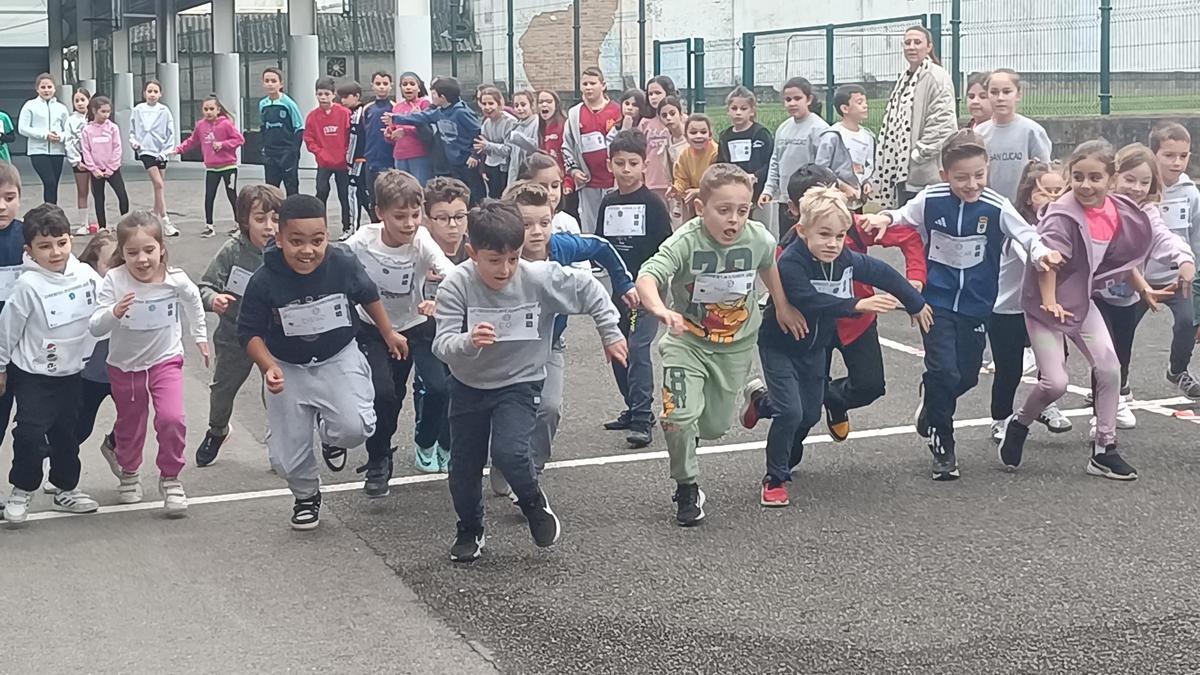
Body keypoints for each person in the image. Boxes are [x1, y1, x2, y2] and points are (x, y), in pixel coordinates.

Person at [432, 199, 626, 562]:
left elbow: (589, 289)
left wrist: (610, 333)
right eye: (494, 260)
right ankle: (471, 529)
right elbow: (442, 345)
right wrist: (468, 341)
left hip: (521, 381)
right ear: (472, 252)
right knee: (463, 467)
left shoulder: (537, 277)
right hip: (469, 386)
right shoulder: (456, 285)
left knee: (509, 452)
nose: (505, 269)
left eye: (513, 257)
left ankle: (533, 502)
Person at [862, 130, 1060, 481]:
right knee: (944, 372)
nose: (972, 184)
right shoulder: (931, 199)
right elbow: (904, 215)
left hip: (978, 306)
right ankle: (943, 445)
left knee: (965, 376)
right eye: (961, 177)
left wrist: (1041, 253)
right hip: (934, 304)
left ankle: (934, 401)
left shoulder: (996, 206)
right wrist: (884, 218)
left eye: (979, 175)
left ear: (988, 171)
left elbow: (1026, 235)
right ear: (944, 176)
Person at [635, 164, 807, 526]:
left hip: (735, 344)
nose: (734, 220)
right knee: (679, 418)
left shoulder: (757, 238)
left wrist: (782, 305)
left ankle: (749, 392)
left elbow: (767, 265)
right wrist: (661, 309)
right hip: (688, 342)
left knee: (712, 428)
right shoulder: (685, 242)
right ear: (701, 209)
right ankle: (686, 487)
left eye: (742, 211)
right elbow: (648, 276)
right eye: (723, 210)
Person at [749, 187, 931, 507]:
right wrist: (858, 304)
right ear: (803, 231)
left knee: (807, 414)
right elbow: (809, 299)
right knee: (791, 412)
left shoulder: (843, 257)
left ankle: (762, 402)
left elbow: (882, 272)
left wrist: (915, 302)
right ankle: (774, 478)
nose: (833, 243)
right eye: (824, 235)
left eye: (839, 235)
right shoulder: (792, 261)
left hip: (814, 349)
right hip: (781, 347)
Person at [237, 194, 405, 530]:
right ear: (279, 238)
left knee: (356, 427)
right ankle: (306, 495)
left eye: (317, 241)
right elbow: (249, 334)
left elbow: (368, 295)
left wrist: (388, 333)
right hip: (287, 366)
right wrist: (268, 365)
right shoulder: (264, 280)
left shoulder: (341, 263)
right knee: (285, 457)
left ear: (327, 236)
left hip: (337, 356)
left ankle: (330, 436)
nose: (307, 250)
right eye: (296, 241)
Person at [997, 140, 1156, 481]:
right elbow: (1047, 262)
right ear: (1070, 175)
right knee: (1055, 383)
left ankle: (1104, 448)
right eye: (1079, 176)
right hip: (1045, 305)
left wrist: (1143, 286)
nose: (1086, 185)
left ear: (1110, 180)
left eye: (1095, 177)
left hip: (1080, 302)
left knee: (1110, 368)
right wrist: (1051, 301)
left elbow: (1125, 251)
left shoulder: (1117, 210)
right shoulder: (1061, 216)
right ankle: (1020, 422)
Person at [487, 180, 634, 498]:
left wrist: (624, 284)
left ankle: (530, 470)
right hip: (505, 346)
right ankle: (502, 458)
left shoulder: (564, 248)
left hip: (549, 342)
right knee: (503, 411)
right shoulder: (499, 252)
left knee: (549, 407)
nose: (537, 231)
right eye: (526, 224)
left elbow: (602, 248)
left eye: (545, 221)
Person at [89, 211, 208, 515]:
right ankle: (129, 470)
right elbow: (95, 326)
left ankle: (170, 478)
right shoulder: (114, 280)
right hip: (124, 366)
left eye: (149, 250)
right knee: (131, 424)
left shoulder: (174, 280)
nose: (142, 260)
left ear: (161, 249)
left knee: (172, 418)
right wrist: (113, 313)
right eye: (132, 252)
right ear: (122, 253)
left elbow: (194, 300)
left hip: (165, 360)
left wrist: (200, 337)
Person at [345, 170, 454, 494]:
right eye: (400, 216)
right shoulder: (363, 240)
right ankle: (379, 458)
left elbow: (445, 267)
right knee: (385, 395)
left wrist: (442, 293)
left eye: (415, 215)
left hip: (418, 325)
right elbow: (332, 261)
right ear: (380, 213)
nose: (409, 223)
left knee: (439, 387)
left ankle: (430, 440)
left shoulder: (421, 240)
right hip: (374, 329)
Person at [0, 203, 103, 524]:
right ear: (29, 250)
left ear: (71, 240)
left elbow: (105, 308)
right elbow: (8, 330)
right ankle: (22, 488)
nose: (55, 252)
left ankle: (64, 488)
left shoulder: (85, 275)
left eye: (61, 243)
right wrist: (1, 366)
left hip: (74, 373)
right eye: (44, 246)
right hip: (33, 376)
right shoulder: (27, 287)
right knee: (30, 433)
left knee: (67, 434)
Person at [1091, 144, 1196, 433]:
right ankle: (1101, 415)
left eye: (1144, 181)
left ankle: (1111, 403)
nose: (1136, 188)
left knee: (1119, 356)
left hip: (1126, 296)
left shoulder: (1147, 211)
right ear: (1114, 177)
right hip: (1091, 295)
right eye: (1129, 179)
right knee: (1103, 355)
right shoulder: (1098, 205)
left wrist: (1184, 258)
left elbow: (1162, 237)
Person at [194, 185, 283, 467]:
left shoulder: (287, 249)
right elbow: (205, 285)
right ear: (245, 220)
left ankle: (279, 441)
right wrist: (214, 299)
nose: (269, 227)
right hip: (235, 334)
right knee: (223, 389)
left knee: (276, 388)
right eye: (260, 219)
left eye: (276, 218)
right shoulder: (233, 250)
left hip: (274, 336)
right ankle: (217, 430)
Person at [595, 130, 672, 447]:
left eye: (632, 163)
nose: (626, 169)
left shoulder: (653, 204)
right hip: (618, 289)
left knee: (639, 348)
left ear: (644, 164)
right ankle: (632, 406)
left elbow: (666, 248)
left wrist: (649, 287)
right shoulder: (608, 203)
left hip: (647, 289)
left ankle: (642, 418)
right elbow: (601, 247)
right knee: (617, 348)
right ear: (610, 164)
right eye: (620, 163)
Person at [987, 161, 1075, 442]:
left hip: (1043, 308)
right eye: (1043, 193)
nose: (1051, 198)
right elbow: (1035, 261)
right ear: (1028, 197)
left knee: (1056, 360)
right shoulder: (1019, 229)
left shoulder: (1066, 226)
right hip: (1007, 309)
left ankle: (1046, 404)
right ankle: (1000, 418)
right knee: (1009, 368)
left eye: (1057, 191)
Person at [873, 25, 957, 209]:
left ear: (929, 47)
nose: (911, 47)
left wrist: (917, 155)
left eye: (917, 42)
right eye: (907, 42)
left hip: (925, 175)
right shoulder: (905, 78)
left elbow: (943, 125)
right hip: (901, 172)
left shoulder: (937, 77)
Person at [388, 77, 485, 205]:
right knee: (458, 193)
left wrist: (475, 154)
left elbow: (477, 132)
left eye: (434, 94)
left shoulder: (461, 112)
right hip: (452, 162)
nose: (431, 97)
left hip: (466, 161)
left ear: (442, 97)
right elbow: (421, 117)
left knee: (473, 193)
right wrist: (396, 119)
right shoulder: (439, 112)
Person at [759, 77, 830, 232]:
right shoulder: (783, 128)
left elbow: (822, 168)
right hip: (786, 200)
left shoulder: (819, 128)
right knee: (787, 242)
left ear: (809, 99)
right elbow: (775, 160)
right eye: (788, 99)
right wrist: (768, 190)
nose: (792, 103)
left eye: (797, 98)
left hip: (809, 201)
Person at [75, 230, 119, 475]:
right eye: (109, 264)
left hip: (123, 369)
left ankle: (115, 447)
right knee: (80, 427)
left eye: (119, 263)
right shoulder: (86, 287)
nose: (116, 269)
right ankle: (58, 465)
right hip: (90, 373)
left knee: (132, 419)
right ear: (93, 265)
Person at [170, 94, 244, 237]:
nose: (209, 112)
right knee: (209, 196)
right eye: (206, 109)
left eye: (211, 109)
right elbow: (192, 141)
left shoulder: (226, 124)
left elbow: (239, 139)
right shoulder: (201, 125)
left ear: (218, 110)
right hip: (211, 167)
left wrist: (223, 144)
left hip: (229, 166)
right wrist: (178, 150)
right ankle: (209, 226)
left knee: (232, 195)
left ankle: (238, 224)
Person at [1151, 122, 1200, 336]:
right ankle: (1117, 369)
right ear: (1153, 154)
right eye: (1169, 155)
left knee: (1188, 324)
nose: (1177, 162)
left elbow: (1197, 238)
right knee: (1121, 331)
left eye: (1183, 155)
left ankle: (1178, 369)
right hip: (1142, 277)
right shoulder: (1141, 189)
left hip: (1180, 277)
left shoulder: (1191, 194)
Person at [975, 69, 1053, 203]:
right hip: (990, 206)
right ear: (987, 95)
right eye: (994, 92)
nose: (1000, 98)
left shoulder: (1032, 131)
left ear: (1018, 94)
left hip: (1025, 208)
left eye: (1006, 92)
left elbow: (1044, 172)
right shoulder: (979, 134)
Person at [563, 67, 622, 234]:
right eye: (585, 84)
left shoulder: (617, 111)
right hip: (588, 183)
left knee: (614, 227)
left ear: (603, 85)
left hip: (614, 182)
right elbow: (566, 145)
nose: (588, 87)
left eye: (593, 83)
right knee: (590, 228)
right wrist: (573, 170)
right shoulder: (574, 114)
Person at [815, 84, 876, 210]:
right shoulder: (832, 135)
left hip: (858, 201)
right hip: (835, 202)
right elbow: (821, 169)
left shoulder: (868, 136)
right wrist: (842, 186)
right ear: (844, 108)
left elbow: (870, 165)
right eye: (860, 102)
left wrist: (868, 182)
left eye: (865, 102)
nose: (865, 106)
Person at [305, 77, 353, 235]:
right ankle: (320, 228)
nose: (323, 97)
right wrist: (319, 153)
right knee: (321, 192)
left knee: (344, 195)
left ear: (333, 94)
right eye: (320, 94)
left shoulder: (344, 113)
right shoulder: (312, 116)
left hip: (342, 163)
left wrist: (347, 153)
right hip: (324, 163)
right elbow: (309, 138)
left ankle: (347, 227)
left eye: (326, 93)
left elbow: (350, 135)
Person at [130, 80, 178, 236]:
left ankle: (155, 217)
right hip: (146, 150)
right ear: (144, 93)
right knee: (158, 184)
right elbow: (132, 130)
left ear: (160, 93)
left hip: (161, 151)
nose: (152, 94)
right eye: (149, 91)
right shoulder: (138, 110)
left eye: (155, 91)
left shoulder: (164, 111)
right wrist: (135, 142)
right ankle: (166, 221)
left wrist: (166, 151)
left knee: (160, 187)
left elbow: (171, 132)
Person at [0, 162, 25, 459]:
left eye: (9, 198)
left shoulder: (29, 237)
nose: (2, 206)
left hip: (26, 347)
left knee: (32, 423)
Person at [80, 96, 130, 231]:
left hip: (112, 170)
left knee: (122, 195)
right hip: (96, 171)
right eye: (103, 111)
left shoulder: (113, 128)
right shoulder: (87, 130)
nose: (106, 115)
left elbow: (117, 148)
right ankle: (102, 226)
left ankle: (125, 223)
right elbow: (86, 151)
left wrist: (111, 168)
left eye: (108, 111)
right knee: (99, 198)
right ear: (94, 111)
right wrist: (93, 169)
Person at [716, 86, 773, 206]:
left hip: (758, 192)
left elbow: (770, 162)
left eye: (743, 109)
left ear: (752, 111)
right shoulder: (725, 136)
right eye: (734, 108)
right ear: (728, 111)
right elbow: (721, 163)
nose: (738, 112)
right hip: (733, 192)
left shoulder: (760, 133)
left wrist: (755, 176)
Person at [18, 73, 69, 205]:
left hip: (57, 151)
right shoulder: (30, 106)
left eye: (49, 87)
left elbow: (68, 130)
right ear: (37, 89)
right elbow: (22, 128)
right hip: (38, 151)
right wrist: (45, 135)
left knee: (53, 185)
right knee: (49, 181)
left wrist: (60, 137)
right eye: (43, 87)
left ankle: (52, 212)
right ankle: (49, 211)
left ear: (54, 88)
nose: (46, 90)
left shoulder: (61, 108)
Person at [259, 67, 305, 196]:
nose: (270, 84)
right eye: (267, 81)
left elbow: (299, 127)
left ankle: (292, 214)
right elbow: (263, 127)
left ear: (281, 84)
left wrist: (293, 151)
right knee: (271, 189)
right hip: (270, 153)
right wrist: (264, 147)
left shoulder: (288, 103)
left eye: (273, 81)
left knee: (291, 186)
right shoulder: (263, 104)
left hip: (287, 152)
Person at [518, 152, 582, 235]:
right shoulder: (516, 222)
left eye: (555, 186)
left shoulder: (568, 222)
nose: (550, 192)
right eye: (542, 187)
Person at [361, 71, 396, 218]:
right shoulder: (367, 109)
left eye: (385, 84)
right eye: (378, 84)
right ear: (372, 86)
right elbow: (364, 132)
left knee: (389, 197)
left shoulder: (395, 108)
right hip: (371, 160)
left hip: (389, 160)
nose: (382, 87)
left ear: (391, 86)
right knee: (373, 198)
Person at [671, 114, 719, 221]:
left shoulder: (716, 152)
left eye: (703, 132)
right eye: (693, 133)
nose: (698, 136)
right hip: (693, 204)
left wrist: (698, 191)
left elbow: (718, 181)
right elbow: (681, 178)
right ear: (686, 136)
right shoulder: (684, 154)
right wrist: (676, 189)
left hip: (714, 202)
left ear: (710, 135)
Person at [387, 71, 433, 184]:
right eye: (405, 84)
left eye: (412, 84)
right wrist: (389, 134)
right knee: (402, 190)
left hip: (419, 154)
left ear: (419, 87)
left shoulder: (424, 103)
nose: (408, 87)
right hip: (399, 155)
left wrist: (405, 131)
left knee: (419, 188)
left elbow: (428, 131)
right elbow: (393, 132)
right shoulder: (397, 107)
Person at [471, 86, 517, 199]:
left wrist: (488, 145)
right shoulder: (486, 123)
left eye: (491, 103)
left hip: (504, 168)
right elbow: (482, 146)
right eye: (484, 104)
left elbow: (508, 150)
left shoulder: (509, 122)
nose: (487, 107)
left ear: (499, 103)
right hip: (490, 166)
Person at [641, 76, 679, 201]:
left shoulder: (681, 120)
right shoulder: (645, 123)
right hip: (652, 180)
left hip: (676, 182)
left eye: (657, 93)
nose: (653, 97)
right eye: (650, 94)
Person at [339, 80, 370, 233]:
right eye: (341, 97)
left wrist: (349, 159)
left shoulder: (357, 115)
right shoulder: (357, 113)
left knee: (354, 193)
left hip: (358, 160)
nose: (343, 100)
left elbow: (354, 139)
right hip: (361, 159)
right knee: (362, 193)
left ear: (356, 96)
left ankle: (353, 229)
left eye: (346, 96)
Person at [63, 88, 93, 235]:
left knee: (98, 191)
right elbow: (68, 141)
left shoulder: (95, 117)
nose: (80, 103)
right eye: (77, 100)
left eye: (83, 100)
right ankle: (83, 224)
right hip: (79, 159)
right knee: (82, 191)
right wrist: (75, 160)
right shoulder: (70, 120)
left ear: (89, 100)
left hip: (96, 159)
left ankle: (101, 222)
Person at [535, 89, 573, 196]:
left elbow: (569, 154)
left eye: (548, 101)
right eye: (541, 102)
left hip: (563, 184)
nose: (544, 104)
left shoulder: (564, 126)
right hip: (547, 182)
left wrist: (568, 182)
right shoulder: (538, 127)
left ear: (556, 105)